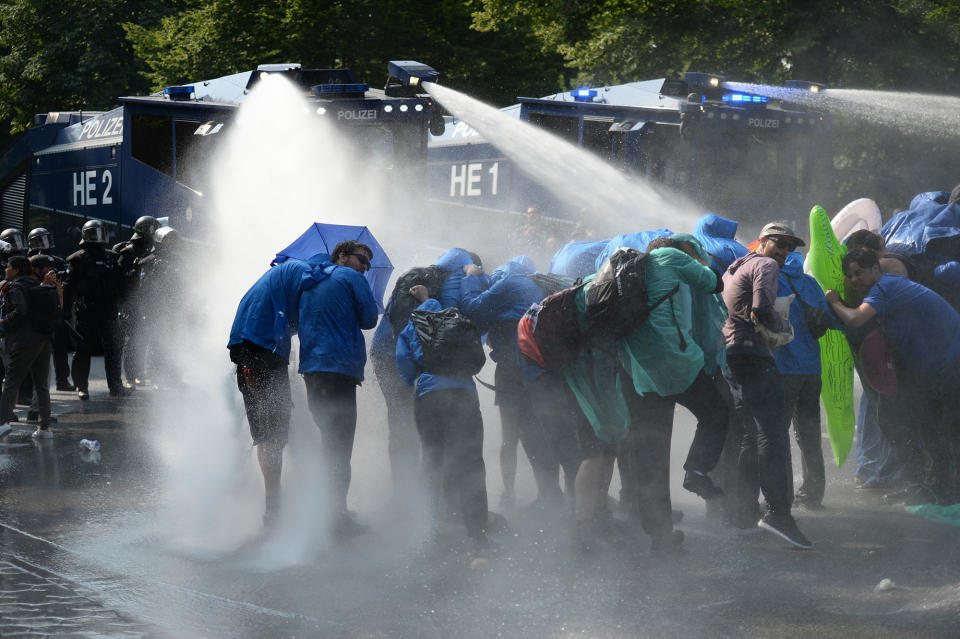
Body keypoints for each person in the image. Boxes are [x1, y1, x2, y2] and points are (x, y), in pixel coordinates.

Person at [616, 235, 729, 554]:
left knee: (652, 453)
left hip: (641, 374)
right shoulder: (670, 256)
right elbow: (713, 283)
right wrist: (699, 264)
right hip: (677, 363)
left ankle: (660, 536)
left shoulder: (627, 270)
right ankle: (696, 469)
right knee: (716, 413)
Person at [826, 247, 960, 505]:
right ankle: (932, 485)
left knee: (941, 429)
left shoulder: (885, 288)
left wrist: (834, 302)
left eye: (859, 272)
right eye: (850, 275)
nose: (855, 279)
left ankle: (944, 489)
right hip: (935, 366)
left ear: (876, 268)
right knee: (924, 426)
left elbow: (855, 319)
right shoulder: (890, 286)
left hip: (950, 361)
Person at [722, 222, 813, 549]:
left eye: (789, 247)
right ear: (762, 240)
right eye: (778, 242)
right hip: (755, 355)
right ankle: (778, 514)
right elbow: (761, 308)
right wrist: (783, 328)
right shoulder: (765, 265)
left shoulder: (735, 266)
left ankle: (743, 514)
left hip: (734, 355)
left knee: (751, 435)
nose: (784, 251)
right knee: (772, 434)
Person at [460, 255, 573, 510]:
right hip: (545, 371)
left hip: (514, 371)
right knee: (545, 432)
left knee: (511, 435)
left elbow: (473, 307)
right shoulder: (541, 286)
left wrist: (470, 278)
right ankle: (559, 494)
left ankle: (512, 494)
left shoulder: (510, 282)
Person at [229, 254, 327, 527]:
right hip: (260, 356)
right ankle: (273, 507)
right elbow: (307, 301)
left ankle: (272, 501)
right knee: (272, 434)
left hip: (252, 354)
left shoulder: (278, 281)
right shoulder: (301, 270)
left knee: (266, 433)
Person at [396, 284, 490, 551]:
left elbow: (403, 361)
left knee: (432, 460)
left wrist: (416, 379)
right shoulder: (459, 320)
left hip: (430, 395)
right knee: (471, 462)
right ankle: (478, 534)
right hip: (464, 392)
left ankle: (428, 530)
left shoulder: (414, 323)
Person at [298, 240, 378, 536]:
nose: (366, 267)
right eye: (362, 260)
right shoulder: (350, 277)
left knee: (326, 440)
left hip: (312, 370)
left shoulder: (307, 279)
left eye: (368, 264)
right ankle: (336, 519)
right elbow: (369, 319)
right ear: (342, 256)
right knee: (340, 447)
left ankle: (319, 509)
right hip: (340, 370)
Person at [774, 251, 831, 510]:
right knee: (809, 432)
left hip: (784, 368)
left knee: (775, 434)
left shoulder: (773, 280)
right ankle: (813, 493)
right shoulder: (810, 282)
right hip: (812, 369)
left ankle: (781, 495)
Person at [64, 220, 125, 400]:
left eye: (99, 233)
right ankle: (82, 387)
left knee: (114, 347)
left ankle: (116, 386)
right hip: (87, 310)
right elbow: (68, 288)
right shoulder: (77, 259)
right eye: (93, 233)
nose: (97, 237)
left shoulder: (112, 257)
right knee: (83, 349)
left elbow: (122, 284)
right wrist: (65, 310)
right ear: (85, 236)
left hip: (109, 310)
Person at [0, 256, 58, 439]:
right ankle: (45, 428)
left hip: (25, 341)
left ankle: (2, 424)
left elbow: (20, 311)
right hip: (44, 339)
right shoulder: (36, 284)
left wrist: (3, 321)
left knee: (11, 383)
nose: (5, 270)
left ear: (17, 269)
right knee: (41, 385)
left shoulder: (15, 287)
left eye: (8, 267)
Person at [113, 216, 161, 388]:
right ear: (143, 230)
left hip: (150, 303)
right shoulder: (129, 252)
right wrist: (136, 269)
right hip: (133, 304)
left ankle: (146, 374)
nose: (154, 232)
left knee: (151, 338)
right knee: (133, 340)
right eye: (152, 229)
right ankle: (131, 377)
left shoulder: (153, 252)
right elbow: (120, 280)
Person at [26, 227, 72, 392]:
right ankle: (30, 388)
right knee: (35, 351)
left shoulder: (58, 260)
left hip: (54, 307)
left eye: (45, 239)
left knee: (60, 347)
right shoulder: (28, 261)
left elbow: (66, 284)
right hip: (38, 310)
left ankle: (62, 380)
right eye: (39, 241)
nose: (43, 244)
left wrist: (64, 307)